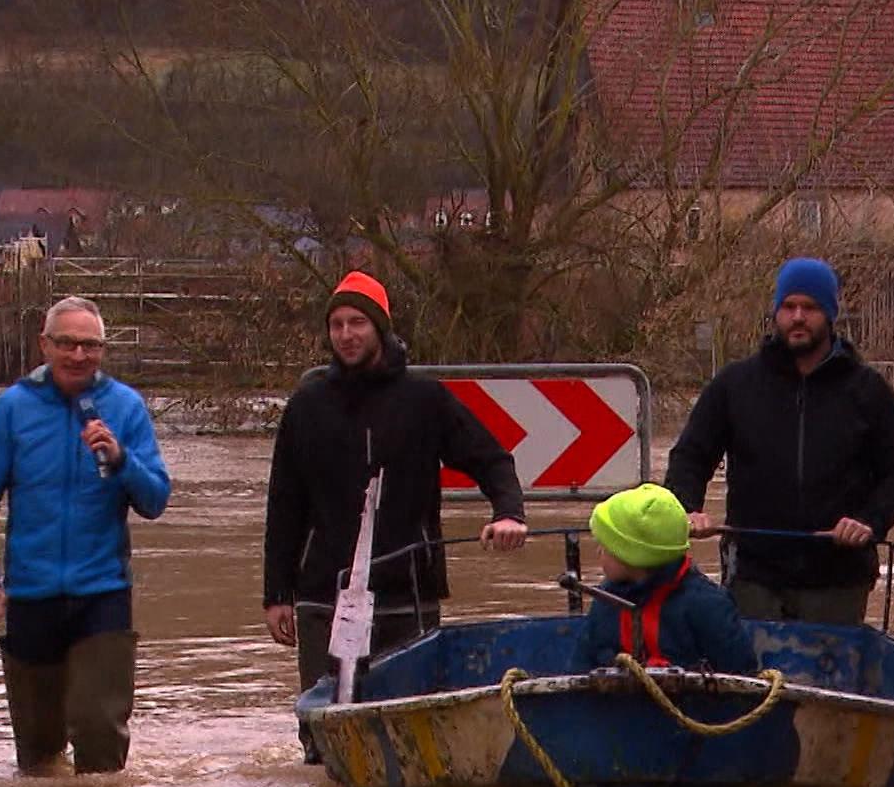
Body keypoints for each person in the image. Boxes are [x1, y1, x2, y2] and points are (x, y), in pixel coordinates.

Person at [263, 271, 529, 700]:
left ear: (380, 327)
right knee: (321, 733)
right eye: (337, 325)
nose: (346, 334)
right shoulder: (306, 406)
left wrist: (509, 513)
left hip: (406, 593)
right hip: (322, 596)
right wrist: (276, 594)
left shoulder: (425, 400)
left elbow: (492, 459)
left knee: (409, 717)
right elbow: (283, 505)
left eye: (358, 323)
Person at [0, 295, 171, 775]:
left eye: (90, 346)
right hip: (31, 596)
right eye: (68, 344)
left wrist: (121, 459)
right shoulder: (13, 409)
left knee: (99, 734)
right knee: (38, 757)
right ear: (45, 345)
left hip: (103, 594)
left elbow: (155, 500)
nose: (79, 356)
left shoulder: (125, 407)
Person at [665, 257, 894, 625]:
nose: (798, 317)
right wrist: (686, 510)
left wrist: (868, 521)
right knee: (755, 678)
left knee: (829, 682)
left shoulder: (869, 391)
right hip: (752, 576)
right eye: (789, 306)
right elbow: (690, 457)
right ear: (776, 313)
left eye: (810, 307)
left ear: (830, 315)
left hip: (838, 579)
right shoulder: (734, 385)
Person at [575, 483, 758, 673]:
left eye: (606, 546)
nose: (599, 551)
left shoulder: (707, 606)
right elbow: (581, 668)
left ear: (633, 555)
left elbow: (740, 673)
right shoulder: (605, 602)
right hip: (616, 702)